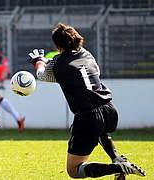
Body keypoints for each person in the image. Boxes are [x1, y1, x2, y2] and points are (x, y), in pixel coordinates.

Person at [27, 23, 146, 179]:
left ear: (57, 45)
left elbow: (43, 75)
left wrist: (39, 61)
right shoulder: (87, 54)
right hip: (108, 108)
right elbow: (83, 70)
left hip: (88, 115)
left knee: (74, 170)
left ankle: (117, 167)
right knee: (101, 131)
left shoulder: (57, 62)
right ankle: (117, 158)